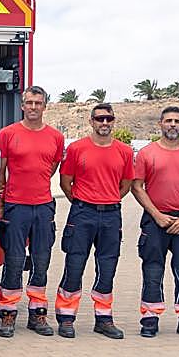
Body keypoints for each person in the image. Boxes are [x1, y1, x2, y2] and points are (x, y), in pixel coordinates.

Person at [55, 103, 135, 339]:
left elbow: (126, 185)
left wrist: (107, 199)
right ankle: (66, 317)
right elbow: (65, 182)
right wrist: (83, 201)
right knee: (74, 265)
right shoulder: (78, 149)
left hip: (111, 215)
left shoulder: (125, 151)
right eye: (99, 118)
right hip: (82, 214)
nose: (104, 123)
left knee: (107, 267)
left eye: (108, 119)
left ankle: (103, 319)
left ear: (114, 121)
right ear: (91, 121)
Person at [131, 106, 179, 340]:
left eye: (177, 121)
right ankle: (150, 318)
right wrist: (157, 215)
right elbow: (136, 186)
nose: (172, 124)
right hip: (156, 221)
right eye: (168, 120)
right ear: (160, 124)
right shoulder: (146, 153)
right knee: (153, 269)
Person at [0, 86, 66, 338]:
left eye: (38, 102)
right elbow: (0, 171)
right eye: (29, 102)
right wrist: (3, 203)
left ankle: (37, 314)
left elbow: (53, 166)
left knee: (41, 260)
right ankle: (8, 313)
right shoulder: (8, 134)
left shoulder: (56, 137)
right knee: (14, 260)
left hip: (44, 205)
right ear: (22, 105)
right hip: (16, 206)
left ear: (45, 106)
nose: (34, 107)